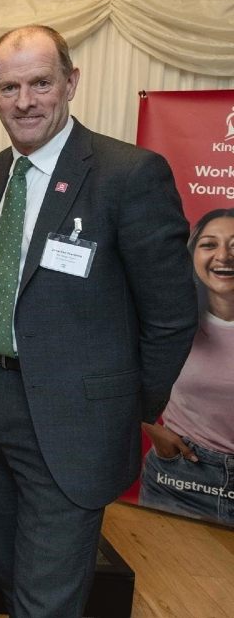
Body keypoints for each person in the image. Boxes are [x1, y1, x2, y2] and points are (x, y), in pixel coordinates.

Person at [0, 24, 199, 617]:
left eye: (40, 83)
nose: (24, 101)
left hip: (73, 422)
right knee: (9, 570)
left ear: (71, 82)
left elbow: (171, 315)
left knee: (48, 598)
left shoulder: (128, 174)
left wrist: (126, 405)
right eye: (9, 86)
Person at [140, 208, 234, 525]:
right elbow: (117, 369)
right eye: (209, 244)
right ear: (193, 254)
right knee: (167, 573)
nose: (224, 255)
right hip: (181, 478)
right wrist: (151, 428)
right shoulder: (171, 320)